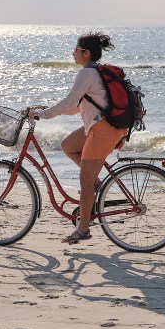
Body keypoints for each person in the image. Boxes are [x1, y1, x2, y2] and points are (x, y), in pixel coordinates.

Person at [34, 32, 125, 244]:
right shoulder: (93, 73)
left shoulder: (87, 74)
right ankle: (94, 181)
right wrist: (45, 111)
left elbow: (68, 102)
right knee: (68, 145)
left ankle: (83, 229)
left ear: (86, 53)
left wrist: (44, 114)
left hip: (102, 131)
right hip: (101, 128)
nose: (73, 53)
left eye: (76, 50)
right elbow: (75, 108)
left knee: (85, 182)